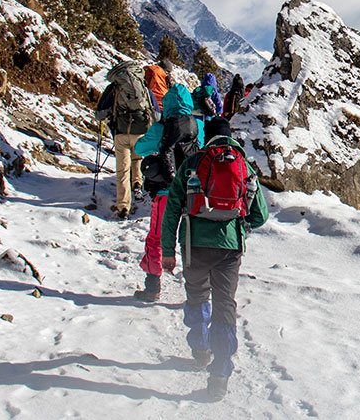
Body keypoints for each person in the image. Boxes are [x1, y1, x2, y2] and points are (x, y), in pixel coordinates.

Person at [161, 118, 268, 401]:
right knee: (225, 307)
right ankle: (220, 375)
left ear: (207, 137)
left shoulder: (192, 164)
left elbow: (172, 208)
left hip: (194, 245)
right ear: (230, 137)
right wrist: (239, 224)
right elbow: (260, 216)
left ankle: (200, 350)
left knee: (196, 296)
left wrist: (168, 251)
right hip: (230, 249)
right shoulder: (243, 166)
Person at [132, 84, 204, 302]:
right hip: (193, 193)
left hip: (165, 191)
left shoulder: (160, 127)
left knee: (157, 237)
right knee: (194, 240)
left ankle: (152, 286)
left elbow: (139, 149)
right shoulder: (198, 125)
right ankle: (197, 292)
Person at [95, 61, 158, 219]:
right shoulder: (143, 87)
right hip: (141, 131)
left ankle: (123, 206)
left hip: (121, 132)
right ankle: (137, 183)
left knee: (122, 169)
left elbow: (100, 113)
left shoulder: (114, 87)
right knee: (137, 159)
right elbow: (156, 113)